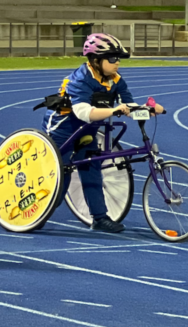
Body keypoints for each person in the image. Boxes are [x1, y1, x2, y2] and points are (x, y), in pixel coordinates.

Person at [43, 33, 165, 233]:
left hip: (87, 129)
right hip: (63, 128)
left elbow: (128, 105)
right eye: (112, 59)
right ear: (95, 60)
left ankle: (100, 218)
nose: (117, 63)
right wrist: (114, 110)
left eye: (118, 59)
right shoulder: (80, 79)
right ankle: (37, 211)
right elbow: (82, 111)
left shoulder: (115, 79)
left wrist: (149, 109)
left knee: (92, 169)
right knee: (60, 178)